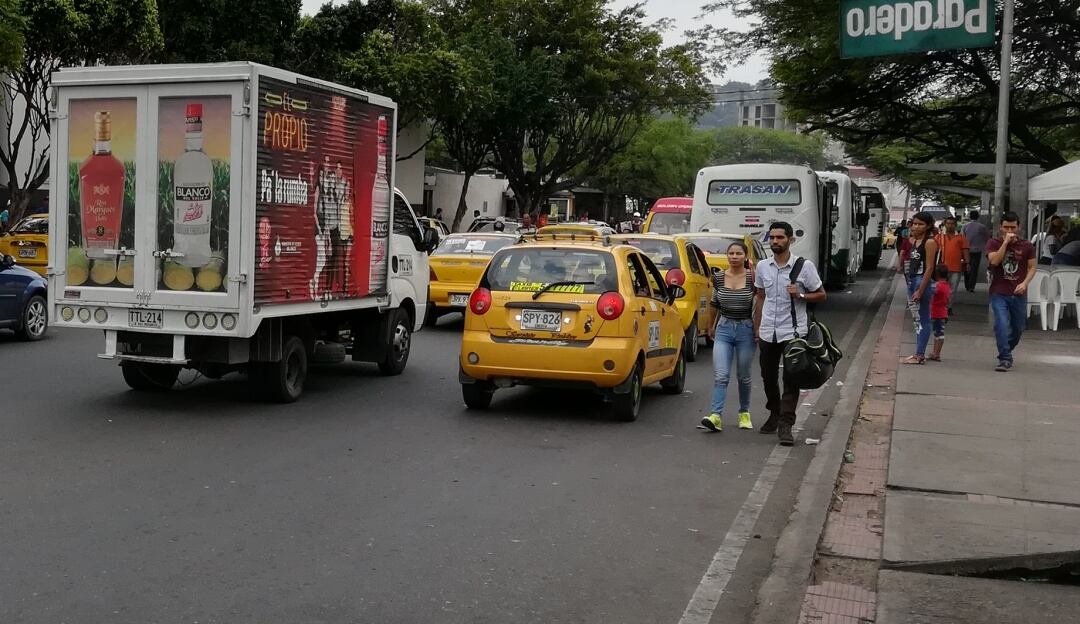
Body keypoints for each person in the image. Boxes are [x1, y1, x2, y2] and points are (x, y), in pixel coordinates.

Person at [754, 222, 826, 446]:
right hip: (768, 331)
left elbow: (822, 295)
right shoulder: (763, 267)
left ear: (790, 240)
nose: (775, 241)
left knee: (792, 378)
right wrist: (757, 327)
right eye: (772, 238)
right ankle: (774, 412)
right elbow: (761, 297)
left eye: (780, 238)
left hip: (794, 332)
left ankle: (786, 424)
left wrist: (801, 296)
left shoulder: (804, 266)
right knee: (768, 376)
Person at [701, 242, 757, 433]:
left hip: (746, 329)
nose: (734, 257)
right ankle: (716, 416)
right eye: (731, 253)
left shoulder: (752, 277)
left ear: (745, 256)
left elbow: (761, 302)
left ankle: (744, 413)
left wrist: (758, 329)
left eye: (738, 253)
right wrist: (711, 326)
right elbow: (714, 304)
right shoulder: (718, 277)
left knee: (743, 375)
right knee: (721, 375)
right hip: (724, 328)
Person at [985, 211, 1036, 372]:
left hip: (1018, 293)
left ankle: (1006, 348)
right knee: (1000, 323)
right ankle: (1005, 358)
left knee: (1018, 327)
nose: (1009, 230)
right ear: (1001, 227)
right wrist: (1005, 243)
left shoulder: (1027, 245)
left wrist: (1025, 283)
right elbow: (994, 261)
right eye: (1006, 227)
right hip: (999, 291)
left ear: (1019, 227)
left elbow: (1032, 267)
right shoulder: (993, 243)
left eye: (1012, 227)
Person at [903, 212, 939, 364]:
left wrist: (920, 290)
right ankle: (918, 353)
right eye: (915, 223)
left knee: (923, 319)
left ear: (928, 226)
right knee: (917, 319)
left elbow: (930, 268)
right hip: (912, 281)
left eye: (921, 224)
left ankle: (920, 355)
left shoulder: (929, 243)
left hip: (921, 282)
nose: (916, 227)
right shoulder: (914, 242)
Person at [934, 216, 969, 314]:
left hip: (956, 268)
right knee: (940, 289)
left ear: (955, 225)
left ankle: (948, 307)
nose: (950, 226)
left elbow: (965, 250)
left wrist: (967, 262)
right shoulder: (939, 237)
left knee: (952, 290)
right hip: (941, 268)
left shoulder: (961, 237)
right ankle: (940, 306)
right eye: (948, 223)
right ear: (945, 224)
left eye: (952, 224)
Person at [927, 264, 951, 362]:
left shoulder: (937, 286)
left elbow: (930, 292)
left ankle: (936, 353)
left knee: (938, 334)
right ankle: (936, 352)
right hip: (943, 313)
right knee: (939, 334)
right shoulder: (947, 286)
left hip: (936, 313)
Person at [962, 211, 990, 291]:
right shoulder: (982, 227)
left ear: (970, 217)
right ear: (978, 217)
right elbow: (986, 237)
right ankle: (971, 286)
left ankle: (967, 284)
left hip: (966, 250)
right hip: (977, 250)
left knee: (967, 267)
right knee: (974, 268)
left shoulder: (965, 226)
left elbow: (962, 238)